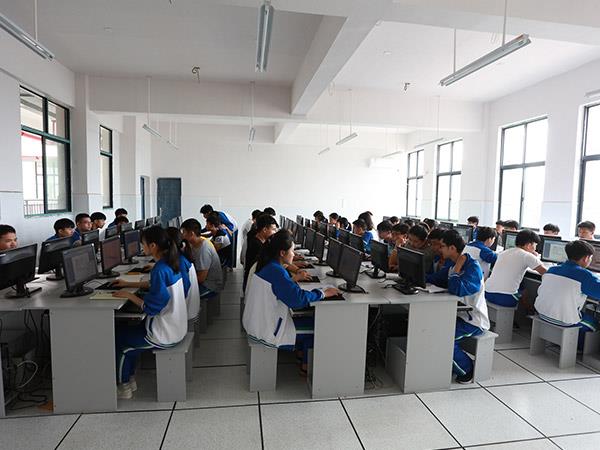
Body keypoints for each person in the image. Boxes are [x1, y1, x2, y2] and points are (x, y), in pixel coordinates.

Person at [242, 230, 340, 375]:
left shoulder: (270, 265)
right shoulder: (276, 271)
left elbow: (287, 291)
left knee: (307, 318)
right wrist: (322, 293)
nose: (294, 255)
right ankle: (305, 367)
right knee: (320, 327)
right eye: (292, 251)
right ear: (282, 253)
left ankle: (301, 356)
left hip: (257, 321)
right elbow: (297, 300)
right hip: (266, 329)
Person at [112, 226, 187, 399]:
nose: (142, 247)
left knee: (120, 342)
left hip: (164, 333)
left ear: (153, 246)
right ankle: (130, 378)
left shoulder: (159, 269)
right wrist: (129, 286)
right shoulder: (169, 263)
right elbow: (157, 289)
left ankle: (124, 386)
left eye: (143, 244)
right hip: (175, 327)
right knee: (125, 330)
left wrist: (129, 295)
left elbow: (152, 307)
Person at [427, 230, 490, 383]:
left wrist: (457, 268)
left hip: (473, 321)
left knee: (444, 337)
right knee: (429, 328)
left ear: (452, 248)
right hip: (458, 315)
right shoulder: (452, 264)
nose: (439, 249)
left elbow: (457, 289)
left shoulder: (472, 267)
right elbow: (436, 279)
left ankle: (467, 370)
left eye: (442, 246)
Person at [535, 240, 600, 349]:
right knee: (594, 322)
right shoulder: (585, 276)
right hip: (565, 322)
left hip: (542, 313)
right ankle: (576, 348)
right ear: (586, 258)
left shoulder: (552, 269)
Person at [485, 230, 546, 307]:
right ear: (529, 245)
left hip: (488, 293)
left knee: (522, 287)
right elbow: (546, 273)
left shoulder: (504, 252)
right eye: (535, 245)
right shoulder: (527, 256)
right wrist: (535, 258)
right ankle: (526, 313)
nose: (535, 248)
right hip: (505, 297)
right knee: (526, 293)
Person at [180, 219, 224, 300]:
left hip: (210, 286)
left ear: (191, 234)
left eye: (183, 232)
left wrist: (181, 280)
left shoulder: (204, 249)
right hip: (205, 281)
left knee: (181, 296)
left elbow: (201, 278)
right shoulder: (196, 242)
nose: (182, 235)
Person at [243, 214, 278, 290]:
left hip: (255, 282)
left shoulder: (261, 241)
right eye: (274, 229)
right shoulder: (257, 246)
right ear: (264, 229)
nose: (275, 232)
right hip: (254, 285)